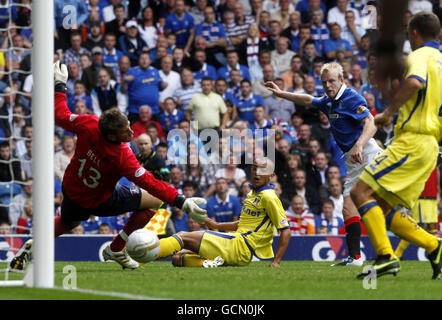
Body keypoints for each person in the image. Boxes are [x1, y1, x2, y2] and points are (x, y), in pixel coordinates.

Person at [9, 62, 209, 271]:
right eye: (126, 132)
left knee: (68, 223)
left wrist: (60, 86)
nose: (131, 133)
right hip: (99, 201)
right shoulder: (123, 156)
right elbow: (151, 183)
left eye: (130, 127)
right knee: (155, 200)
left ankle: (34, 244)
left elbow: (59, 115)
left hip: (72, 189)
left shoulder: (90, 124)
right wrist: (182, 202)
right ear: (112, 136)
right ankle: (116, 247)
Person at [350, 12, 442, 279]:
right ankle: (434, 247)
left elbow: (414, 82)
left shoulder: (421, 56)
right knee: (385, 210)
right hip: (429, 146)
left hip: (412, 140)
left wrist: (388, 113)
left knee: (359, 193)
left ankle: (385, 257)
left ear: (414, 33)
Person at [265, 61, 381, 267]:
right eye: (324, 82)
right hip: (353, 161)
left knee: (381, 204)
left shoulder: (351, 97)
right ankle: (355, 258)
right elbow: (308, 99)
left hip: (368, 154)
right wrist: (282, 94)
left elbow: (371, 123)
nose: (328, 85)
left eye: (332, 81)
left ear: (342, 80)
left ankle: (410, 243)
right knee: (348, 208)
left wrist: (359, 145)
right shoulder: (328, 101)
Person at [150, 159, 291, 268]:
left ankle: (140, 256)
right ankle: (214, 263)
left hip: (240, 245)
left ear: (271, 175)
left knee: (181, 236)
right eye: (255, 168)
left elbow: (285, 230)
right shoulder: (254, 194)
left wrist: (276, 261)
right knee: (178, 258)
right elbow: (242, 224)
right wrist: (216, 224)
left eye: (263, 169)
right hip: (237, 246)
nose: (257, 172)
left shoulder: (269, 197)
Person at [394, 167, 440, 259]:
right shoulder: (421, 161)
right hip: (421, 197)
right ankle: (397, 254)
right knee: (417, 226)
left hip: (432, 198)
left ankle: (436, 253)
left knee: (433, 226)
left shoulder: (435, 165)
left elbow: (437, 183)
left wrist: (438, 195)